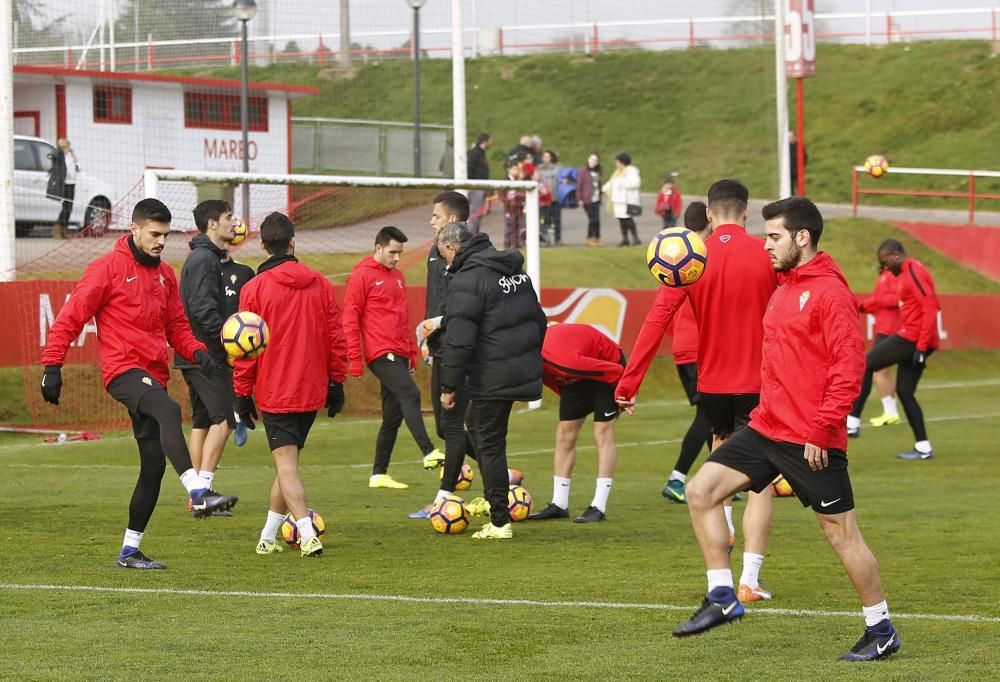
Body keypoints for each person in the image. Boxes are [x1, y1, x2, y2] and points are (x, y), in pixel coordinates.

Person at [672, 197, 901, 664]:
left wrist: (823, 428)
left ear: (803, 237)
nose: (766, 246)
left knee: (842, 535)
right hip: (766, 428)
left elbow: (848, 366)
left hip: (811, 438)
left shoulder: (831, 294)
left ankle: (881, 628)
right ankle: (722, 596)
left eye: (774, 237)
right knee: (700, 491)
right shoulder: (784, 285)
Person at [40, 198, 238, 570]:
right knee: (169, 409)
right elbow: (70, 317)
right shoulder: (107, 269)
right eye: (154, 234)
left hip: (152, 374)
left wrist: (197, 353)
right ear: (134, 229)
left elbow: (177, 326)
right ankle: (198, 491)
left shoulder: (165, 275)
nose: (161, 241)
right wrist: (52, 365)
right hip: (122, 371)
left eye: (165, 235)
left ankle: (130, 551)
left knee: (153, 466)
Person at [616, 179, 779, 602]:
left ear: (708, 214)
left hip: (713, 385)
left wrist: (629, 381)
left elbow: (656, 321)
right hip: (760, 382)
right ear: (746, 212)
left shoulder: (690, 259)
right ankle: (750, 578)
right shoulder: (769, 253)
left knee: (719, 460)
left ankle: (722, 550)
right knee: (760, 481)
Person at [233, 212, 348, 558]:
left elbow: (246, 349)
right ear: (293, 242)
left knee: (286, 467)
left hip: (275, 390)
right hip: (311, 390)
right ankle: (268, 538)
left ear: (264, 246)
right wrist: (336, 382)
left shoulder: (253, 289)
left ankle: (307, 532)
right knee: (288, 467)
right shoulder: (320, 283)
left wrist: (241, 392)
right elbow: (335, 338)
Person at [437, 222, 547, 540]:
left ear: (452, 248)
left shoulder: (467, 280)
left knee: (489, 441)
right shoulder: (515, 271)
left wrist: (449, 386)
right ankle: (496, 496)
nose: (444, 261)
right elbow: (538, 320)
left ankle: (499, 520)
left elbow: (459, 340)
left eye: (443, 253)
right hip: (517, 368)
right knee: (481, 430)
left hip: (491, 373)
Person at [342, 226, 444, 489]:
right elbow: (350, 318)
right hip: (378, 352)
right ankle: (428, 451)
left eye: (400, 253)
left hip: (398, 353)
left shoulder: (397, 277)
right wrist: (354, 358)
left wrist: (411, 353)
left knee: (393, 415)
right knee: (410, 394)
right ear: (378, 248)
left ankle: (379, 474)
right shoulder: (362, 275)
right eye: (393, 252)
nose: (397, 258)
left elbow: (402, 318)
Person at [408, 193, 480, 520]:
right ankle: (501, 473)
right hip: (440, 347)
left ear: (452, 221)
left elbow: (463, 308)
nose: (431, 221)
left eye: (436, 216)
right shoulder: (435, 252)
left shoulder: (469, 256)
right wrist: (428, 337)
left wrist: (442, 327)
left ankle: (444, 497)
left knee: (451, 425)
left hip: (460, 349)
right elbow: (436, 301)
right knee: (443, 427)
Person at [176, 200, 245, 516]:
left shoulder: (205, 257)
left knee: (203, 421)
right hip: (204, 354)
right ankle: (202, 492)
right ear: (213, 224)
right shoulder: (204, 259)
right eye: (230, 217)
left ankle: (199, 498)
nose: (235, 222)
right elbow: (203, 310)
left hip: (193, 352)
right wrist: (229, 342)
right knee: (225, 419)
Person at [848, 239, 940, 460]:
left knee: (867, 363)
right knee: (906, 392)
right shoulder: (906, 274)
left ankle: (852, 422)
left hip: (912, 337)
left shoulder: (912, 272)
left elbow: (931, 306)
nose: (886, 267)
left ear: (897, 255)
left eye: (886, 261)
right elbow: (886, 301)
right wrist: (859, 306)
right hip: (917, 339)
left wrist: (920, 346)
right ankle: (924, 448)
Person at [529, 323, 625, 523]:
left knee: (602, 432)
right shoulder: (535, 363)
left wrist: (625, 394)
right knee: (564, 434)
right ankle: (559, 504)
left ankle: (599, 506)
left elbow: (616, 370)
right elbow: (556, 383)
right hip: (577, 373)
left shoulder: (565, 362)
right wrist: (572, 408)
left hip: (607, 365)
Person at [661, 202, 713, 503]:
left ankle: (719, 477)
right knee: (708, 415)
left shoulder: (672, 255)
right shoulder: (703, 256)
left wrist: (679, 338)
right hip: (700, 349)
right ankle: (677, 478)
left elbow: (664, 308)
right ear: (709, 219)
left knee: (711, 416)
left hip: (684, 349)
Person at [219, 239, 256, 447]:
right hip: (213, 340)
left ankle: (239, 413)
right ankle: (233, 414)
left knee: (241, 377)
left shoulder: (244, 272)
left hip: (241, 340)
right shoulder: (203, 272)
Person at [857, 260, 902, 428]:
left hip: (890, 329)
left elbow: (895, 298)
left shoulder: (892, 276)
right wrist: (862, 306)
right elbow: (878, 301)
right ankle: (892, 412)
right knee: (885, 373)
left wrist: (876, 301)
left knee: (878, 372)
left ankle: (890, 412)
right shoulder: (885, 276)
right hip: (885, 327)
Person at [602, 151, 642, 247]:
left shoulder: (631, 171)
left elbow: (635, 183)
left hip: (626, 201)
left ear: (622, 162)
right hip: (617, 201)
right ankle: (625, 239)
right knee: (621, 220)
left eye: (617, 161)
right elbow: (611, 183)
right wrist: (604, 189)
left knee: (628, 220)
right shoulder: (617, 172)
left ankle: (635, 238)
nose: (616, 164)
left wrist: (623, 183)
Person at [46, 138, 78, 239]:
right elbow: (51, 155)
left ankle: (64, 229)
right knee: (65, 207)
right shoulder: (59, 155)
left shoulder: (69, 156)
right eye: (67, 146)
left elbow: (76, 163)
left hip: (72, 183)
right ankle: (57, 229)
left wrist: (72, 153)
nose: (68, 148)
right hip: (64, 184)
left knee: (70, 207)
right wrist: (60, 150)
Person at [467, 132, 491, 234]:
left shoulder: (481, 153)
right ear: (485, 141)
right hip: (476, 187)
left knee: (479, 213)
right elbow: (470, 168)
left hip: (481, 187)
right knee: (475, 213)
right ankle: (472, 235)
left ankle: (475, 234)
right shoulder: (475, 153)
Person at [537, 150, 563, 246]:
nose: (546, 159)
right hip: (544, 200)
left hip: (555, 198)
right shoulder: (539, 169)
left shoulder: (558, 169)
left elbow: (562, 180)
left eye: (548, 157)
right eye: (544, 156)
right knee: (544, 220)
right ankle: (545, 239)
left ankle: (558, 239)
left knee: (557, 220)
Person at [579, 153, 603, 246]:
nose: (593, 162)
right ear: (588, 160)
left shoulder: (597, 171)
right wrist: (579, 198)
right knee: (592, 219)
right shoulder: (583, 171)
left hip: (596, 199)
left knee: (597, 220)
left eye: (595, 160)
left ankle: (597, 237)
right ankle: (590, 238)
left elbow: (599, 184)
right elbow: (579, 185)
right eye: (591, 159)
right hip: (587, 200)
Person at [501, 159, 526, 249]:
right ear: (509, 169)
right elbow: (501, 194)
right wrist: (507, 201)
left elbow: (522, 193)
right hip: (509, 208)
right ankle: (508, 244)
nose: (516, 171)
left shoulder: (519, 180)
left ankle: (516, 243)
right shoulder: (505, 180)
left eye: (517, 169)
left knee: (518, 226)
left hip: (518, 208)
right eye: (514, 169)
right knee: (509, 226)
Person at [789, 131, 808, 195]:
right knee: (790, 189)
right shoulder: (786, 147)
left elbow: (805, 157)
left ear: (795, 137)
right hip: (789, 172)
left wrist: (801, 167)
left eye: (791, 137)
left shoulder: (799, 146)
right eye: (789, 137)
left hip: (798, 171)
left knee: (800, 188)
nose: (790, 139)